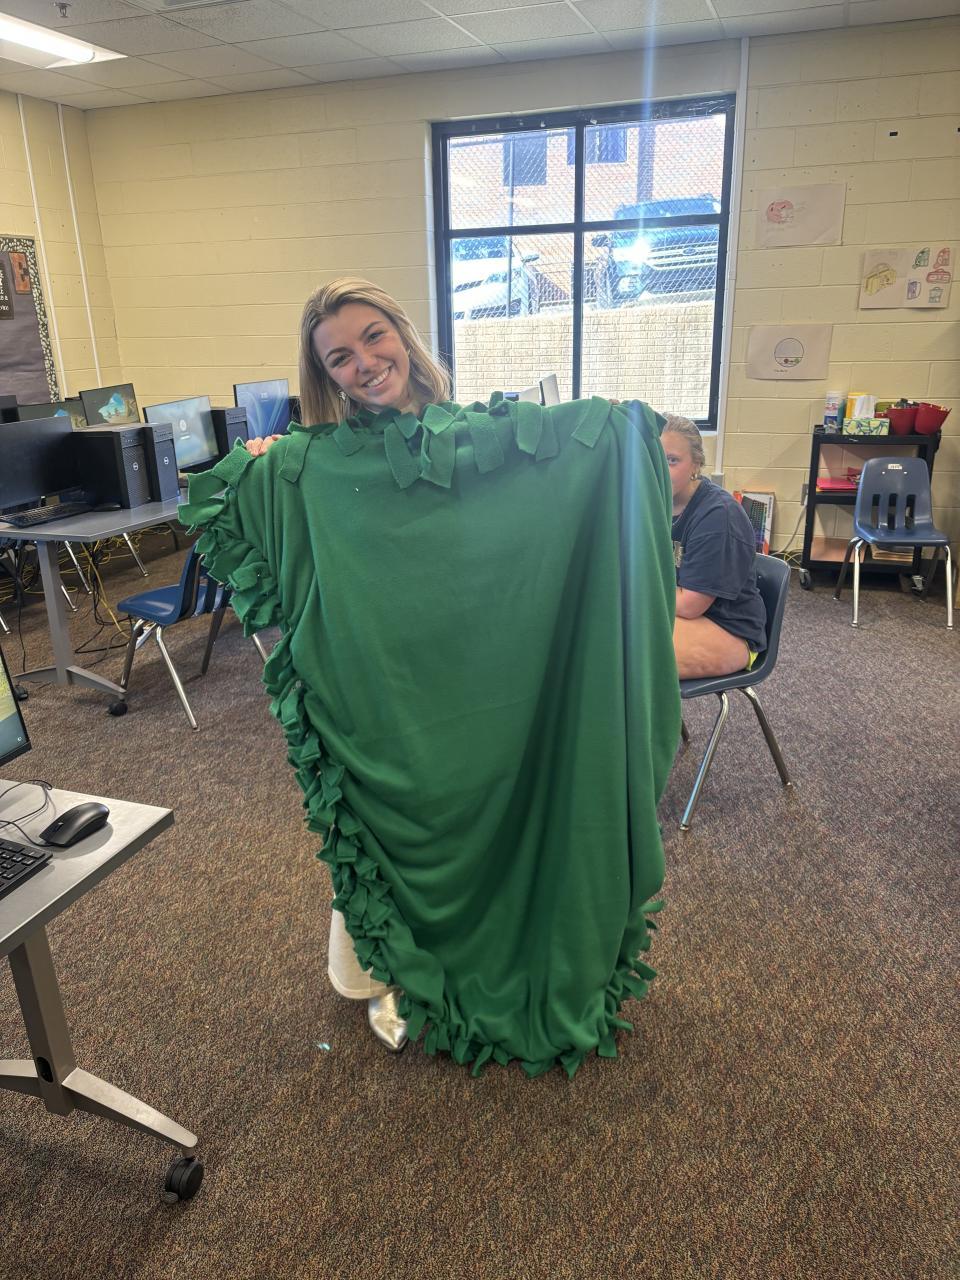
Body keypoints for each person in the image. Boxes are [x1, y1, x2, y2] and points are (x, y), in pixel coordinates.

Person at [181, 277, 680, 1078]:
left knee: (511, 804)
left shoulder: (480, 437)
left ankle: (511, 954)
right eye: (339, 357)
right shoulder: (318, 464)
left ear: (404, 334)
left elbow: (563, 462)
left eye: (373, 337)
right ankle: (393, 973)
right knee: (389, 823)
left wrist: (618, 429)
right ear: (323, 375)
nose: (364, 362)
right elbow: (227, 497)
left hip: (490, 679)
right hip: (392, 698)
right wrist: (263, 465)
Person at [660, 414, 767, 679]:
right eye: (654, 459)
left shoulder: (719, 516)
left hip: (728, 627)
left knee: (625, 654)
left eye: (672, 461)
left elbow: (690, 605)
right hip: (679, 613)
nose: (660, 470)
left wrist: (631, 593)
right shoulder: (653, 503)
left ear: (696, 464)